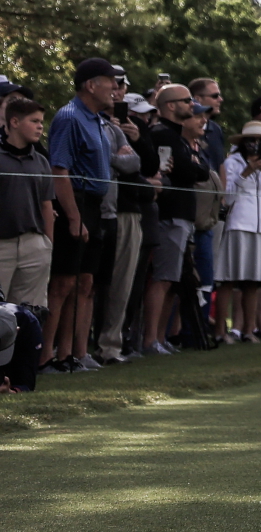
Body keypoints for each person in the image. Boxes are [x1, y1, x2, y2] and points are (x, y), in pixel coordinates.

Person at [42, 57, 116, 373]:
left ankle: (71, 355)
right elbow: (59, 170)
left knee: (85, 282)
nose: (114, 87)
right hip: (76, 203)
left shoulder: (98, 120)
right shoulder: (70, 118)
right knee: (62, 283)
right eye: (109, 80)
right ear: (90, 85)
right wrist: (73, 217)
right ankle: (45, 357)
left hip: (95, 206)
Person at [142, 85, 211, 355]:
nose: (192, 105)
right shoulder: (162, 134)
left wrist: (192, 164)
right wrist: (191, 165)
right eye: (187, 101)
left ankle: (160, 338)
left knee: (171, 281)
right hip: (169, 214)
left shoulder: (177, 136)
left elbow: (201, 169)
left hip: (182, 215)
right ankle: (150, 340)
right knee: (162, 278)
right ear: (171, 106)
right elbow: (188, 168)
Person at [96, 91, 159, 364]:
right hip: (98, 208)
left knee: (123, 283)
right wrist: (120, 158)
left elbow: (142, 165)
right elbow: (109, 161)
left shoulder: (136, 126)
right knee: (92, 283)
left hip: (129, 211)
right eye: (112, 84)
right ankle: (83, 345)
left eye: (120, 84)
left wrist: (136, 139)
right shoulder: (91, 120)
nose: (116, 90)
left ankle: (111, 346)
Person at [214, 122, 261, 343]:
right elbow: (228, 197)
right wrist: (247, 171)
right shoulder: (232, 163)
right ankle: (221, 331)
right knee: (229, 280)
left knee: (253, 282)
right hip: (239, 223)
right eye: (252, 140)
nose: (256, 145)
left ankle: (248, 330)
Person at [0, 99, 55, 317]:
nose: (40, 127)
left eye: (41, 122)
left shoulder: (40, 161)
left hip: (34, 245)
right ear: (14, 121)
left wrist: (48, 245)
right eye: (34, 121)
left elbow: (46, 204)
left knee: (30, 315)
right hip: (2, 244)